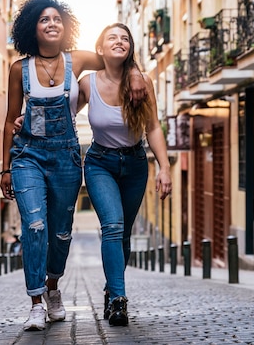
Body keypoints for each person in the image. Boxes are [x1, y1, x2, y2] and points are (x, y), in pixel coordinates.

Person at [0, 0, 146, 331]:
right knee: (35, 225)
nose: (51, 24)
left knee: (61, 233)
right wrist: (5, 167)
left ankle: (53, 288)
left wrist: (136, 73)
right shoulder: (17, 70)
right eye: (43, 20)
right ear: (31, 27)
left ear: (65, 27)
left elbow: (117, 57)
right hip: (28, 157)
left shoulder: (76, 60)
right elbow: (9, 120)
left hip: (66, 157)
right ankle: (36, 302)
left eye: (57, 19)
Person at [79, 23, 172, 326]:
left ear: (130, 48)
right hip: (99, 164)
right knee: (113, 226)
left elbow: (153, 127)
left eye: (125, 38)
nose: (119, 42)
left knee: (125, 235)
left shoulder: (142, 82)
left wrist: (164, 167)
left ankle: (110, 289)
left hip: (134, 165)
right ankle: (119, 300)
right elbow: (62, 113)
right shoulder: (87, 83)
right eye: (112, 38)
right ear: (100, 49)